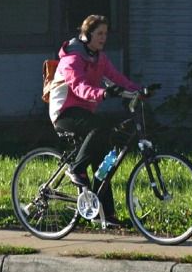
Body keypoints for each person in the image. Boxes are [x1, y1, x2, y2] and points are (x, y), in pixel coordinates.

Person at [47, 15, 141, 227]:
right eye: (99, 33)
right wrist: (103, 94)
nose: (103, 38)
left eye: (106, 34)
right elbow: (78, 87)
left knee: (103, 159)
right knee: (100, 127)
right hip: (64, 112)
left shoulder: (100, 58)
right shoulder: (72, 58)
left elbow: (117, 78)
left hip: (83, 113)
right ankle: (76, 169)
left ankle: (106, 215)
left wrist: (139, 90)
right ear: (87, 35)